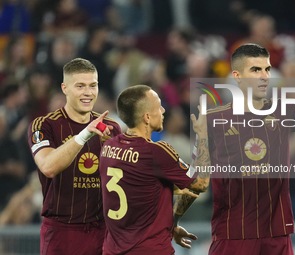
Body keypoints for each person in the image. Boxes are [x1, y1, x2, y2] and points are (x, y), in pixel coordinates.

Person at [173, 34, 295, 255]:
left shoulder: (286, 110)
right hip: (233, 234)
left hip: (277, 234)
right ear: (237, 76)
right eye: (255, 70)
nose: (264, 76)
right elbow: (197, 177)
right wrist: (173, 221)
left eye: (267, 69)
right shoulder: (212, 120)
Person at [99, 84, 210, 255]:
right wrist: (203, 136)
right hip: (149, 249)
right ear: (147, 117)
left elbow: (145, 188)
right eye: (159, 106)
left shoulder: (108, 147)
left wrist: (172, 224)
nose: (164, 110)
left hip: (113, 250)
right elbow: (200, 183)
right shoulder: (157, 152)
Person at [27, 58, 121, 255]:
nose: (88, 92)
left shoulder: (113, 128)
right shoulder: (43, 125)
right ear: (65, 88)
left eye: (92, 86)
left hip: (104, 232)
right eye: (80, 86)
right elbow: (48, 166)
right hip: (62, 233)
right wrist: (85, 134)